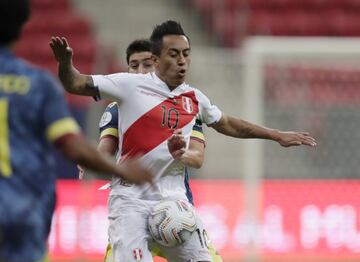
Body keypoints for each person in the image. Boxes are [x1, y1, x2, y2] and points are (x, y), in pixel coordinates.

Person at [50, 20, 316, 262]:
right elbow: (76, 83)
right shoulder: (129, 85)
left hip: (174, 202)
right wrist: (65, 64)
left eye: (186, 55)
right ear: (156, 58)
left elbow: (229, 124)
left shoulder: (194, 98)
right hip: (130, 201)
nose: (182, 62)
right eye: (174, 54)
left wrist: (276, 135)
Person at [0, 1, 152, 262]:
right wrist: (122, 169)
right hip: (21, 212)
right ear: (21, 27)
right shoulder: (37, 85)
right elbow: (70, 144)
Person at [78, 39, 222, 261]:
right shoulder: (118, 108)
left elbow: (198, 155)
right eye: (133, 65)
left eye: (146, 64)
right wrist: (92, 158)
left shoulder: (185, 105)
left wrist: (183, 153)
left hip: (176, 214)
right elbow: (105, 147)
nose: (139, 71)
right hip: (132, 212)